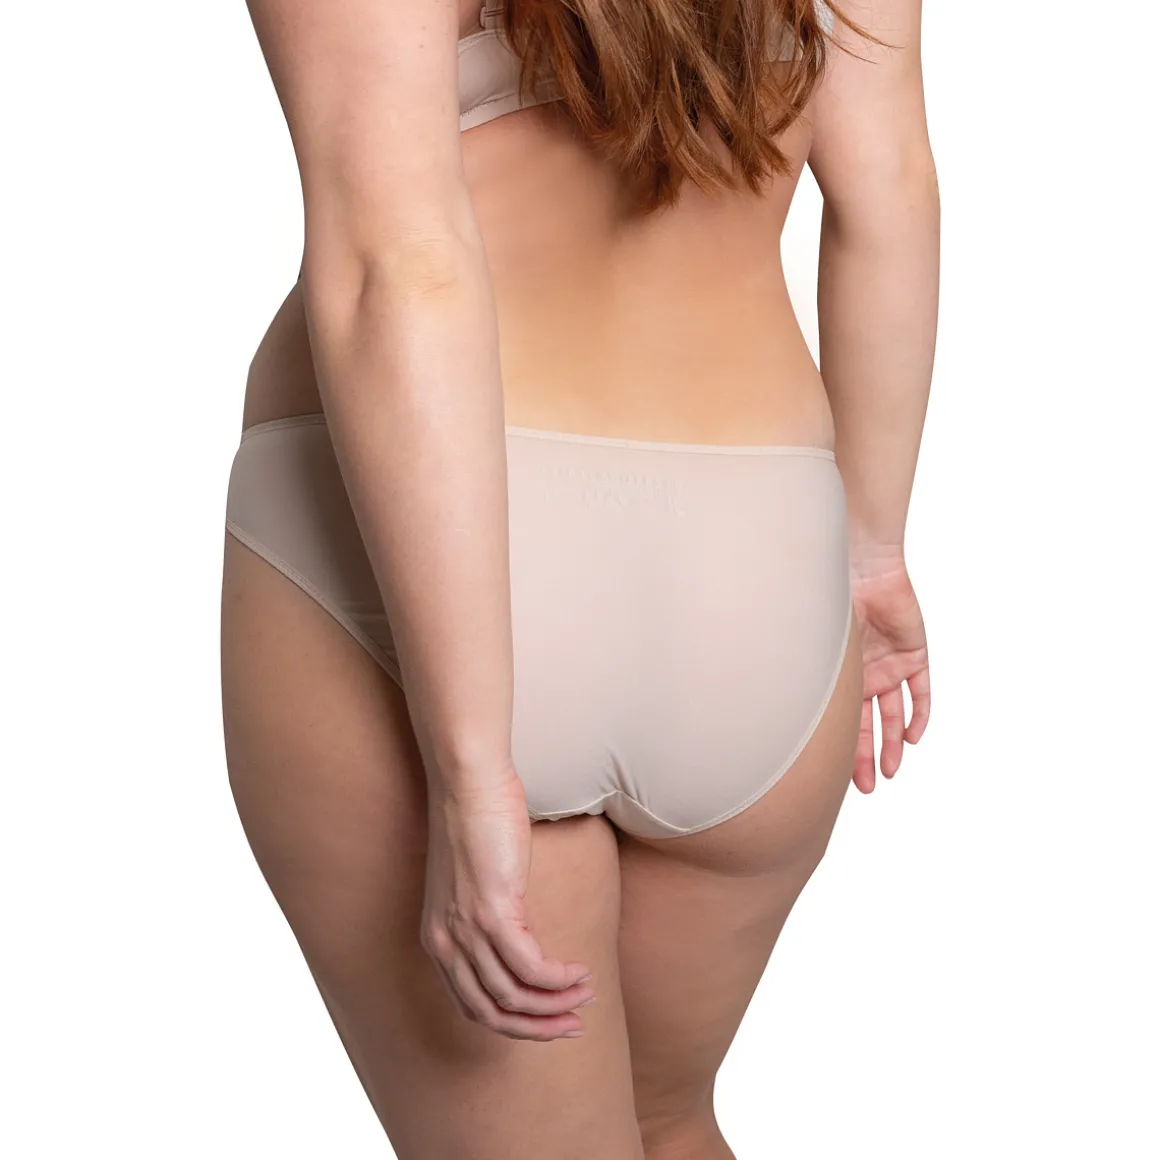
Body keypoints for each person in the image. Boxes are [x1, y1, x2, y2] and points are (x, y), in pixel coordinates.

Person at [220, 0, 937, 1155]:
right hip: (754, 571)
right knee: (669, 1123)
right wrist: (870, 553)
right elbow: (887, 184)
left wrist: (470, 769)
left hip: (458, 565)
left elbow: (396, 268)